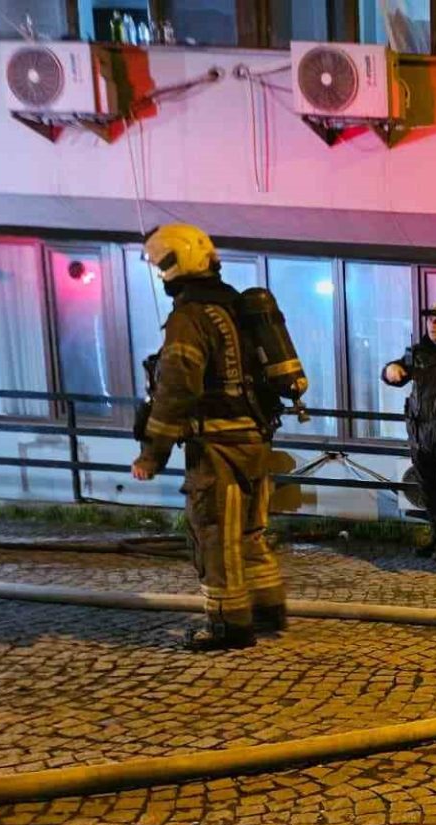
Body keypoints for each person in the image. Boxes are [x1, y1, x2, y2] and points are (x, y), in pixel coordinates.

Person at [130, 223, 286, 651]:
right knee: (251, 531)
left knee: (215, 534)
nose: (160, 276)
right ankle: (268, 608)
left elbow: (177, 389)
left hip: (217, 447)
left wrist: (151, 454)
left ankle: (228, 624)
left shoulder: (190, 317)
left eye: (160, 267)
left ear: (174, 265)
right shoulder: (235, 307)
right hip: (255, 438)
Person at [381, 303, 436, 560]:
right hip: (420, 434)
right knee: (428, 492)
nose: (433, 325)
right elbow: (397, 372)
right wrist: (390, 370)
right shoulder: (417, 353)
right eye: (430, 320)